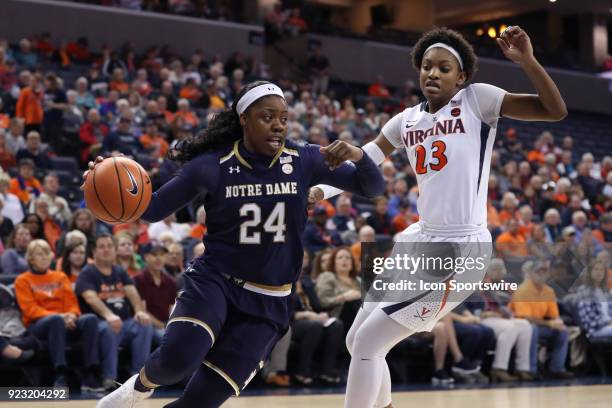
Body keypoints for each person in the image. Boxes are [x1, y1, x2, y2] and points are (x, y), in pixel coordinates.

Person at [311, 26, 567, 407]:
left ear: (461, 76)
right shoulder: (405, 121)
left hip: (462, 248)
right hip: (420, 240)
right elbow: (364, 161)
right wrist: (318, 191)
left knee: (368, 344)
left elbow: (554, 110)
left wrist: (527, 61)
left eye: (444, 68)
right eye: (427, 66)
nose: (433, 73)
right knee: (357, 341)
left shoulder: (478, 100)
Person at [96, 80, 385, 407]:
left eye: (283, 118)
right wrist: (109, 179)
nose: (278, 124)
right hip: (216, 281)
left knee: (200, 401)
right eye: (267, 116)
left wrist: (359, 155)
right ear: (244, 119)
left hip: (270, 301)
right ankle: (137, 388)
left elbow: (372, 187)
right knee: (179, 358)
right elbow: (151, 210)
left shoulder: (304, 159)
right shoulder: (212, 165)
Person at [14, 239, 105, 391]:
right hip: (38, 325)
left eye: (47, 253)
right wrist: (61, 317)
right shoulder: (22, 280)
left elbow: (72, 304)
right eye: (39, 254)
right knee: (55, 320)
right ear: (30, 258)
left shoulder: (60, 277)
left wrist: (71, 316)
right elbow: (30, 310)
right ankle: (60, 374)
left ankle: (90, 374)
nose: (44, 257)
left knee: (90, 319)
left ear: (51, 256)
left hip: (64, 321)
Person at [76, 234, 154, 391]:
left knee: (145, 324)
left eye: (109, 246)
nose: (106, 250)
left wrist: (139, 311)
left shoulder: (119, 271)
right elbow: (90, 298)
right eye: (102, 247)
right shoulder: (87, 272)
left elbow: (132, 293)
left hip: (126, 322)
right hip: (100, 323)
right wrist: (109, 315)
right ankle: (109, 378)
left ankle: (138, 378)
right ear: (94, 251)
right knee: (109, 327)